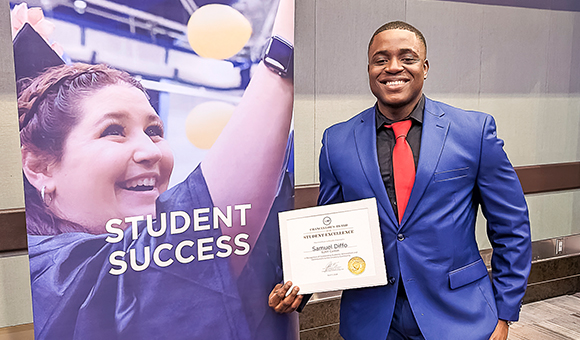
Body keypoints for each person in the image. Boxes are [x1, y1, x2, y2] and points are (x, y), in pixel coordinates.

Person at [17, 0, 295, 338]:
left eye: (154, 131)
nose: (150, 151)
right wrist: (284, 56)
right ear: (39, 167)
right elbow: (188, 239)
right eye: (113, 131)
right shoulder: (41, 272)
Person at [269, 21, 531, 340]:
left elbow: (511, 225)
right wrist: (299, 286)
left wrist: (504, 313)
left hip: (459, 316)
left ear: (425, 66)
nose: (393, 67)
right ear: (369, 69)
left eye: (407, 57)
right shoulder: (337, 141)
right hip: (373, 320)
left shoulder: (473, 132)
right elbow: (330, 228)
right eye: (381, 59)